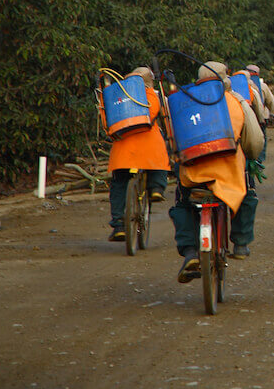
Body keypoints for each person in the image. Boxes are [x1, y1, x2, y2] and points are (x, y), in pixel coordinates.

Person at [169, 61, 264, 282]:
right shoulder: (236, 100)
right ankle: (240, 243)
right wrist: (250, 156)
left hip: (194, 176)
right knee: (248, 192)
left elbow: (174, 139)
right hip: (229, 173)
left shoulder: (184, 101)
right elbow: (254, 141)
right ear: (226, 77)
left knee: (182, 203)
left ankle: (191, 252)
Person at [103, 67, 169, 241]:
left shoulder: (117, 97)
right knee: (160, 155)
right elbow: (163, 118)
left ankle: (118, 225)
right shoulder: (152, 95)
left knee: (119, 184)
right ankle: (156, 187)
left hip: (123, 150)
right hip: (149, 148)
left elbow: (106, 122)